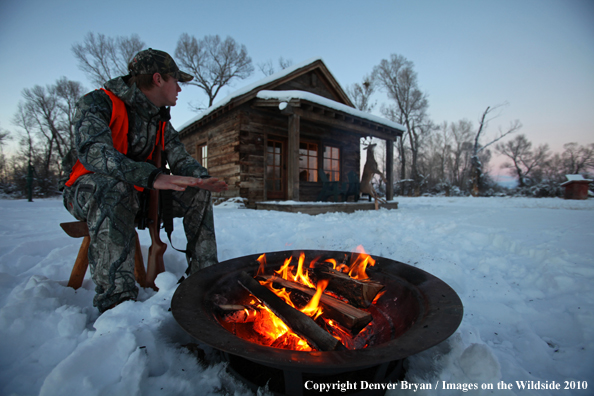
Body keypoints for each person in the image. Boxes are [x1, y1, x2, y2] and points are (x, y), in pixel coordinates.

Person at [60, 48, 227, 313]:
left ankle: (205, 283)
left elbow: (180, 158)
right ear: (159, 79)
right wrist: (152, 176)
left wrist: (201, 179)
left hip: (141, 194)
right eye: (177, 81)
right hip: (88, 192)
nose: (180, 89)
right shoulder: (97, 103)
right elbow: (94, 152)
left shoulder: (160, 119)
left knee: (196, 192)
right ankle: (117, 306)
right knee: (114, 188)